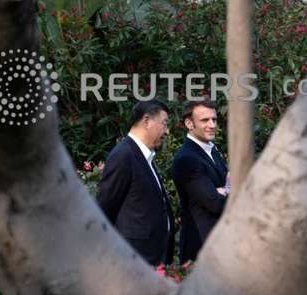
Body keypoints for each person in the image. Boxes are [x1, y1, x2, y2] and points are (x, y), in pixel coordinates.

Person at [97, 99, 175, 266]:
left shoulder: (145, 157)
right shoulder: (123, 155)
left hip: (152, 259)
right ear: (146, 121)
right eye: (164, 123)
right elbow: (104, 208)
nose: (167, 131)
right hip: (134, 260)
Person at [172, 99, 228, 263]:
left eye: (214, 119)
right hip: (201, 246)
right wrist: (229, 190)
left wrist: (224, 190)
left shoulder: (213, 151)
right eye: (205, 120)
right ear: (189, 123)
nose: (212, 125)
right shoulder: (186, 159)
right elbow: (215, 203)